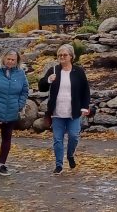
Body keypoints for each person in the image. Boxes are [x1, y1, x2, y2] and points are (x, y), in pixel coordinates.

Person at [38, 43, 90, 175]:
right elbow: (41, 87)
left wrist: (85, 107)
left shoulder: (78, 71)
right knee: (58, 139)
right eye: (59, 55)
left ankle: (70, 154)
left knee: (74, 136)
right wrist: (48, 80)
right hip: (57, 112)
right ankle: (59, 165)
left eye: (65, 55)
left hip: (74, 111)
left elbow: (85, 90)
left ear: (71, 56)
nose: (62, 57)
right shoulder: (53, 70)